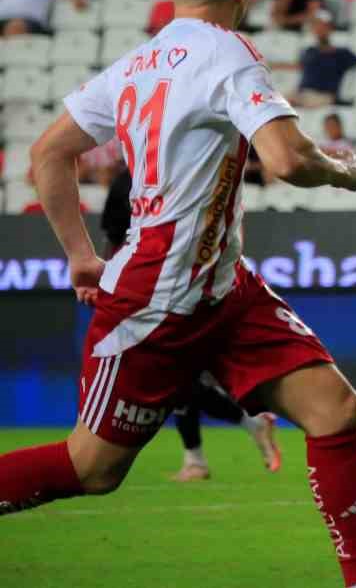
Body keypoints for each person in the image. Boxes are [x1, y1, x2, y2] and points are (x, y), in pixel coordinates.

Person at [0, 0, 356, 586]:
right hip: (159, 294)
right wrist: (342, 172)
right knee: (93, 468)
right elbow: (286, 157)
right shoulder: (228, 54)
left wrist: (80, 256)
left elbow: (47, 154)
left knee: (334, 408)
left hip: (220, 285)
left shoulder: (133, 65)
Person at [99, 162, 282, 488]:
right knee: (179, 380)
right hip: (171, 288)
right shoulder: (174, 173)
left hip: (172, 292)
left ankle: (223, 440)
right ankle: (211, 448)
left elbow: (114, 240)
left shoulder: (147, 178)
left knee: (175, 378)